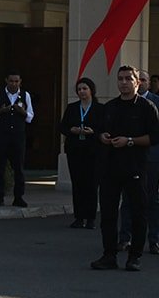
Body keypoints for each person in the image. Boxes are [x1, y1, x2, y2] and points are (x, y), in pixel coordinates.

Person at [91, 66, 159, 272]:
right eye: (120, 79)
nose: (123, 82)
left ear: (137, 82)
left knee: (139, 213)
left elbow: (154, 138)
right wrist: (102, 136)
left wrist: (129, 141)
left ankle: (134, 257)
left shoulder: (147, 107)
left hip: (136, 167)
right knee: (109, 214)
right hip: (111, 168)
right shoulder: (110, 107)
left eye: (128, 79)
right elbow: (101, 131)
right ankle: (109, 255)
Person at [59, 77, 102, 230]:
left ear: (91, 90)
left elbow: (104, 129)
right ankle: (79, 217)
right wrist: (72, 130)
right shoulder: (72, 108)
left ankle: (90, 218)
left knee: (91, 184)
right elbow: (63, 126)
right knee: (77, 184)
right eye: (79, 89)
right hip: (75, 150)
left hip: (92, 151)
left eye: (85, 89)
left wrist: (94, 132)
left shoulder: (99, 108)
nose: (82, 92)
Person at [0, 71, 33, 207]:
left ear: (20, 82)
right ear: (6, 81)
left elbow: (30, 116)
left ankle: (19, 196)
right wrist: (2, 111)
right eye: (11, 81)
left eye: (16, 81)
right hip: (2, 135)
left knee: (19, 167)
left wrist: (23, 112)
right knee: (0, 166)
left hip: (18, 135)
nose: (14, 84)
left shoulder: (25, 95)